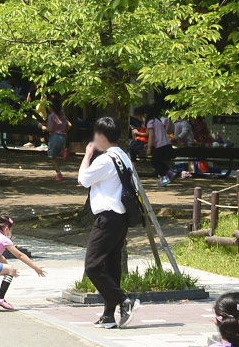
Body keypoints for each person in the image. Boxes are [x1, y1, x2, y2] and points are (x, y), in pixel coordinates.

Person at [77, 116, 140, 329]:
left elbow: (83, 179)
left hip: (108, 217)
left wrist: (87, 155)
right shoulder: (123, 156)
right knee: (111, 265)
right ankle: (109, 315)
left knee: (92, 265)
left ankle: (125, 301)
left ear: (102, 137)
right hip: (122, 217)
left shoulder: (104, 160)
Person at [42, 100, 72, 181]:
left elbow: (50, 129)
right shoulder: (62, 115)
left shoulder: (51, 116)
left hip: (55, 137)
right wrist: (65, 130)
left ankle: (59, 174)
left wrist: (42, 127)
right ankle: (63, 152)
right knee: (58, 149)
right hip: (63, 137)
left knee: (52, 156)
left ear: (51, 107)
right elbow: (70, 125)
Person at [145, 106, 174, 185]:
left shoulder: (150, 122)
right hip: (165, 143)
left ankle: (165, 177)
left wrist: (149, 148)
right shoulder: (157, 120)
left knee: (155, 161)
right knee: (157, 161)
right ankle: (169, 173)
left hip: (160, 144)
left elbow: (151, 135)